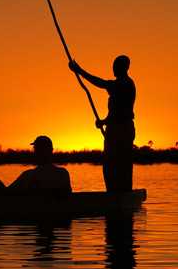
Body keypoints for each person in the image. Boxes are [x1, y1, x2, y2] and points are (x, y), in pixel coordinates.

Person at [69, 55, 136, 192]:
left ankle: (122, 194)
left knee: (119, 165)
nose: (114, 69)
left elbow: (101, 83)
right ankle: (113, 193)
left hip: (122, 130)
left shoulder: (124, 84)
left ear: (125, 68)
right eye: (114, 66)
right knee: (111, 166)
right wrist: (104, 121)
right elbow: (116, 111)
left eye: (117, 66)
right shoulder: (118, 85)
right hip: (114, 129)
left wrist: (79, 70)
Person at [8, 136, 72, 196]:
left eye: (35, 149)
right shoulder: (63, 174)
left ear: (36, 152)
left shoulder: (29, 175)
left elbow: (6, 192)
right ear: (52, 151)